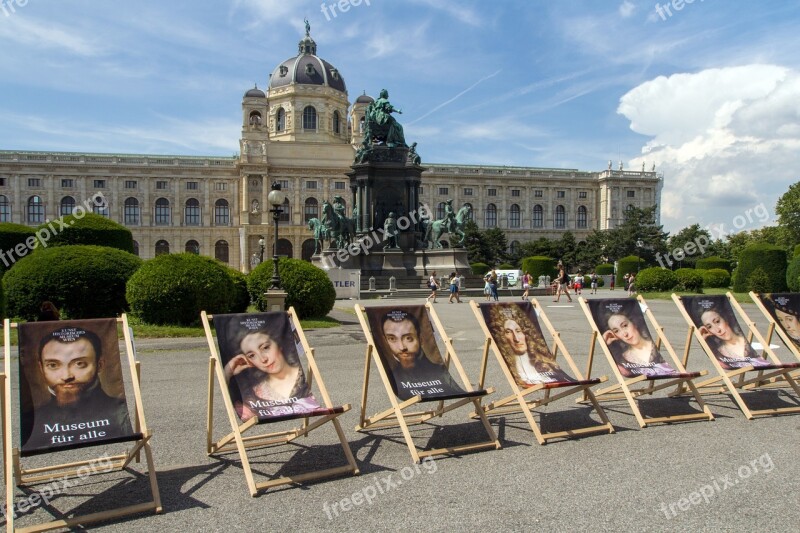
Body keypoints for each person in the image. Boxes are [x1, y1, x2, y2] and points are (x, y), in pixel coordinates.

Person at [23, 327, 133, 450]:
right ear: (41, 367)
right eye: (53, 365)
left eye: (79, 364)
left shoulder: (119, 417)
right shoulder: (34, 421)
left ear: (99, 365)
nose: (66, 376)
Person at [223, 317, 320, 421]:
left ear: (278, 344)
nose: (263, 359)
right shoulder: (252, 395)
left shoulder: (300, 379)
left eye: (265, 347)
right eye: (252, 355)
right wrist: (227, 373)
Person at [379, 309, 464, 400]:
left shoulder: (439, 373)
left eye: (408, 338)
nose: (402, 347)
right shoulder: (393, 376)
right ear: (386, 341)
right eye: (392, 339)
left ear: (420, 339)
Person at [485, 303, 573, 386]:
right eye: (508, 332)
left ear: (526, 333)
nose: (516, 338)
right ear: (502, 337)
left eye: (518, 331)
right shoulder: (517, 372)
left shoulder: (545, 366)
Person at [599, 306, 675, 377]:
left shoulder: (653, 349)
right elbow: (625, 372)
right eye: (616, 331)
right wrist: (608, 346)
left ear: (634, 323)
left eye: (625, 325)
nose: (625, 334)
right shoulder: (623, 360)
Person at [692, 299, 769, 369]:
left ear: (725, 319)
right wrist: (702, 341)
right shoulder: (719, 354)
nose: (717, 330)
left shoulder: (746, 345)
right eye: (709, 327)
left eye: (717, 321)